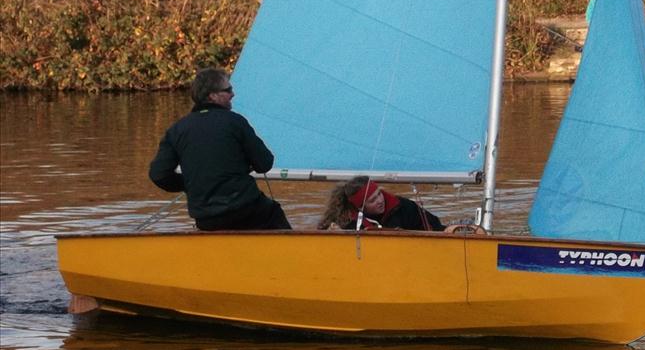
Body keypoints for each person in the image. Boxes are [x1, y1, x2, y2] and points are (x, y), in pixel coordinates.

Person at [149, 67, 291, 232]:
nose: (233, 94)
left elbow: (158, 175)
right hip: (246, 210)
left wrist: (190, 184)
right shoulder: (235, 122)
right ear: (212, 96)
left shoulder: (176, 130)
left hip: (206, 218)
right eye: (228, 90)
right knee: (274, 214)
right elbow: (265, 163)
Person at [318, 176, 449, 233]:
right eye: (372, 200)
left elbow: (433, 225)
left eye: (379, 194)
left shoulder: (403, 206)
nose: (380, 200)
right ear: (360, 207)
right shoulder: (346, 223)